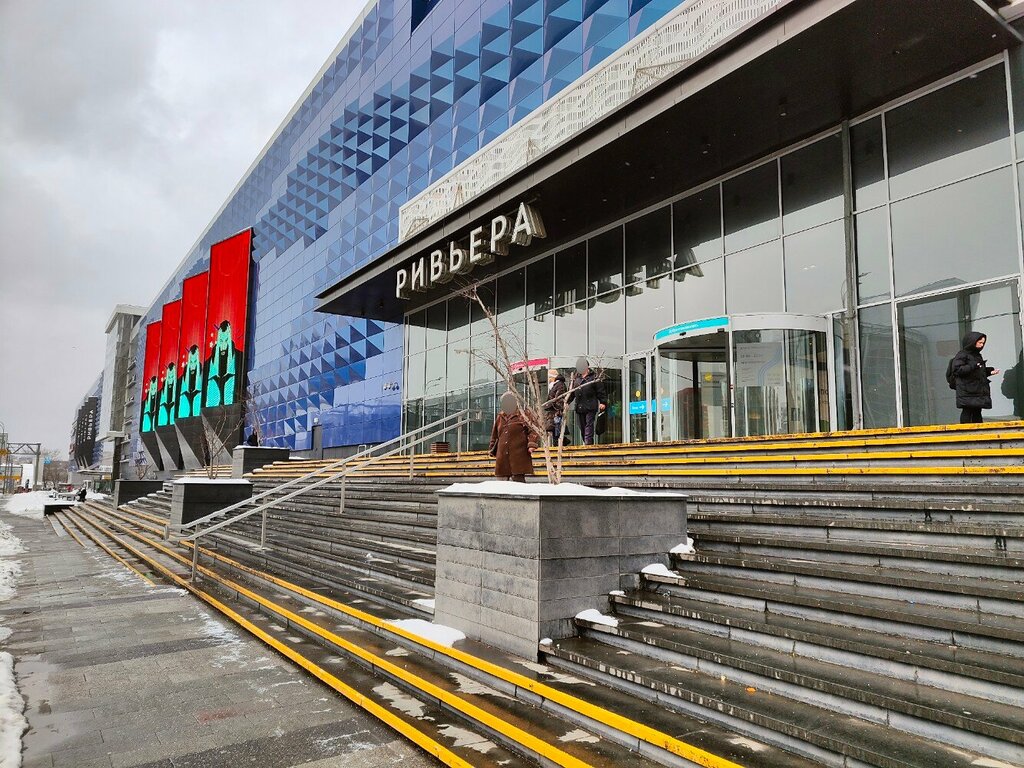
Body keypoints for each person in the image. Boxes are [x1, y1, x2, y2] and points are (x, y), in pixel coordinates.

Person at [949, 331, 1000, 424]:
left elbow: (975, 372)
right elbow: (957, 370)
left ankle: (978, 431)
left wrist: (989, 372)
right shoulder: (962, 354)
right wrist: (974, 365)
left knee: (977, 411)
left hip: (975, 389)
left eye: (983, 343)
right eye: (980, 342)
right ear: (972, 342)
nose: (982, 345)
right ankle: (965, 431)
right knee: (967, 411)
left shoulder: (977, 355)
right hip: (967, 390)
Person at [489, 391, 538, 482]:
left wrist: (531, 444)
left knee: (518, 481)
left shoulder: (523, 415)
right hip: (502, 456)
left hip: (518, 454)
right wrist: (492, 447)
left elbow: (533, 430)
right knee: (501, 482)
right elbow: (494, 434)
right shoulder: (500, 416)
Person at [567, 357, 606, 445]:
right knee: (582, 427)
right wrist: (567, 402)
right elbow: (572, 393)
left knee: (589, 425)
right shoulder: (576, 379)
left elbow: (600, 391)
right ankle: (587, 442)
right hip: (580, 406)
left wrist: (603, 402)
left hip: (590, 406)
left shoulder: (594, 378)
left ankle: (588, 443)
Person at [544, 369, 568, 446]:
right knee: (554, 429)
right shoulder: (555, 385)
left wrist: (558, 410)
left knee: (556, 429)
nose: (548, 379)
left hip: (556, 410)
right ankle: (559, 443)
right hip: (554, 410)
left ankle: (560, 443)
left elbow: (559, 398)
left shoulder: (559, 385)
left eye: (549, 377)